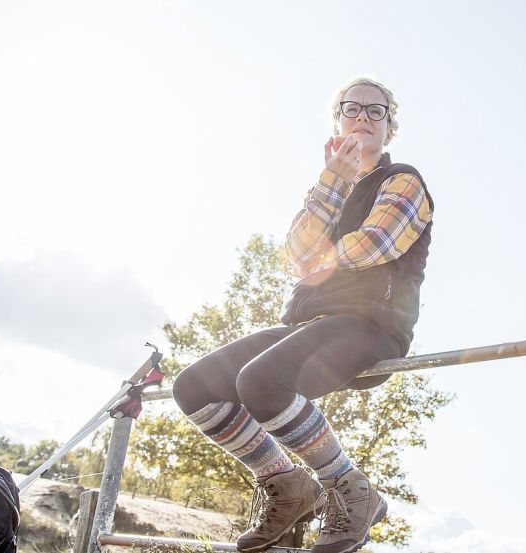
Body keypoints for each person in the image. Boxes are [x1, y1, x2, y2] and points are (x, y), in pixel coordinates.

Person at [171, 77, 433, 553]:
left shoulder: (403, 181)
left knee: (261, 381)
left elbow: (376, 243)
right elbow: (294, 252)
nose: (363, 118)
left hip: (372, 323)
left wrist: (318, 256)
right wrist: (332, 179)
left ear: (390, 130)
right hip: (311, 324)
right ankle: (288, 486)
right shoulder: (327, 189)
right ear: (337, 122)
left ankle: (352, 489)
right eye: (351, 108)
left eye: (376, 112)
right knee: (192, 387)